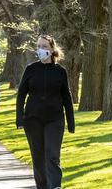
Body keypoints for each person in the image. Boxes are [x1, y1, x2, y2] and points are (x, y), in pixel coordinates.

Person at [16, 35, 75, 189]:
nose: (41, 49)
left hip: (55, 119)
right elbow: (21, 94)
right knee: (38, 157)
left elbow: (67, 97)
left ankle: (55, 186)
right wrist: (19, 119)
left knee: (52, 155)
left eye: (45, 46)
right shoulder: (31, 69)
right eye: (39, 46)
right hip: (33, 120)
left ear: (52, 49)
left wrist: (71, 122)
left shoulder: (60, 71)